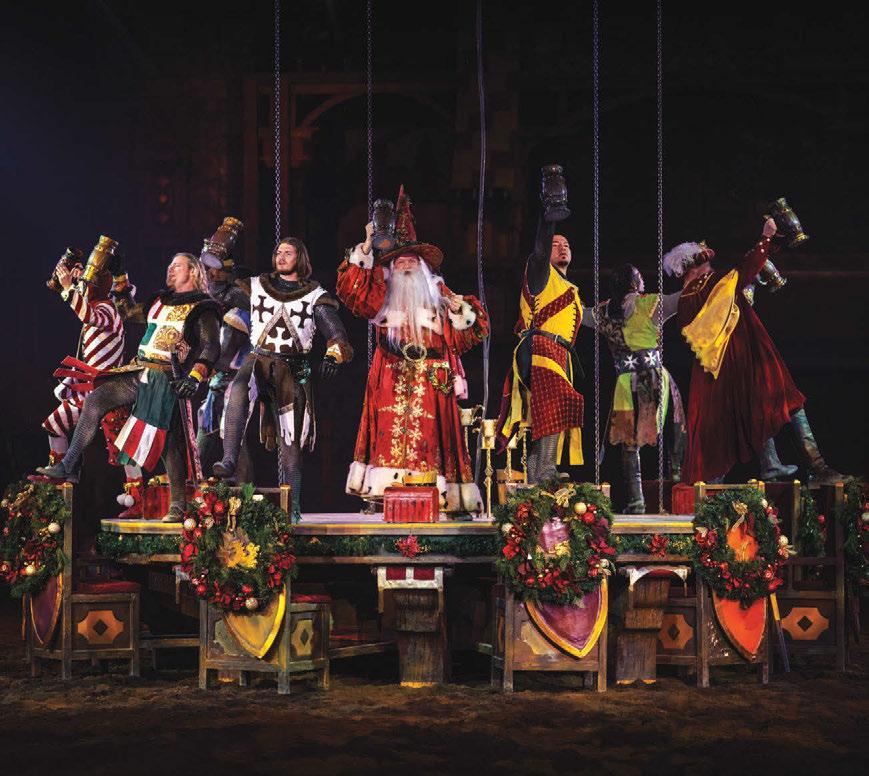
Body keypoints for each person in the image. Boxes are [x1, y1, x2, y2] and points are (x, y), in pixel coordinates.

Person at [37, 252, 221, 521]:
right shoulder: (160, 300)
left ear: (193, 271)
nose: (170, 269)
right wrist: (119, 275)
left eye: (177, 266)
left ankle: (178, 505)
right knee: (96, 400)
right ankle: (68, 464)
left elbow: (211, 346)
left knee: (167, 442)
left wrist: (194, 377)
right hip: (140, 371)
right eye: (169, 265)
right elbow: (127, 312)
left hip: (167, 378)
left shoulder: (203, 308)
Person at [336, 186, 487, 513]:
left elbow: (471, 333)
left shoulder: (438, 293)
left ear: (423, 268)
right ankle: (385, 494)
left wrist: (460, 311)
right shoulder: (381, 295)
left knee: (430, 438)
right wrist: (367, 244)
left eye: (412, 261)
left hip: (433, 379)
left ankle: (439, 496)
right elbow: (351, 291)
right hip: (391, 375)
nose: (405, 265)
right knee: (389, 434)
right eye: (400, 261)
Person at [664, 218, 843, 485]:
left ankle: (758, 469)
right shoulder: (712, 284)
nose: (710, 264)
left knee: (737, 420)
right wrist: (766, 237)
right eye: (704, 260)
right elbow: (745, 271)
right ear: (694, 265)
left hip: (715, 375)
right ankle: (818, 469)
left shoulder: (686, 299)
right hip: (746, 359)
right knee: (787, 400)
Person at [213, 237, 352, 518]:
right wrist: (219, 259)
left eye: (288, 253)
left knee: (291, 445)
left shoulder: (315, 295)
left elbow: (337, 334)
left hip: (292, 369)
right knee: (239, 387)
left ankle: (293, 508)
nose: (281, 256)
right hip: (259, 359)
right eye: (278, 252)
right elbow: (221, 293)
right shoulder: (257, 286)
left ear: (300, 258)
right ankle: (228, 459)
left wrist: (333, 355)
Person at [38, 253, 146, 517]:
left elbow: (87, 315)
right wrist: (70, 278)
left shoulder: (107, 309)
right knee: (54, 424)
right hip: (87, 390)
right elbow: (81, 303)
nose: (82, 288)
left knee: (123, 445)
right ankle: (65, 474)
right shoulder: (97, 304)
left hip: (109, 392)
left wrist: (68, 288)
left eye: (86, 284)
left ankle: (138, 500)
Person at [495, 192, 584, 485]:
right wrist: (550, 217)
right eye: (556, 244)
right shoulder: (540, 274)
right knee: (558, 402)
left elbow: (591, 318)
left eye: (566, 244)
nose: (562, 247)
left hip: (560, 354)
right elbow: (540, 250)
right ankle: (545, 469)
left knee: (552, 409)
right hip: (540, 348)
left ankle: (538, 468)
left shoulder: (571, 290)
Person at [581, 263, 685, 512]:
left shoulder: (603, 312)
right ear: (634, 283)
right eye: (640, 277)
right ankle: (679, 479)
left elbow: (580, 314)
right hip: (653, 377)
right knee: (675, 426)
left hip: (625, 384)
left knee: (629, 442)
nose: (644, 282)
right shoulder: (650, 303)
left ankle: (636, 501)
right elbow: (684, 298)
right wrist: (697, 277)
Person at [196, 231, 253, 478]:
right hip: (220, 374)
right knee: (205, 420)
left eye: (217, 269)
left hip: (239, 376)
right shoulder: (213, 304)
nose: (211, 274)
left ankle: (244, 490)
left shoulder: (239, 308)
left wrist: (205, 367)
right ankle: (193, 476)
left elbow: (227, 349)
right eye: (208, 268)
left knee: (231, 430)